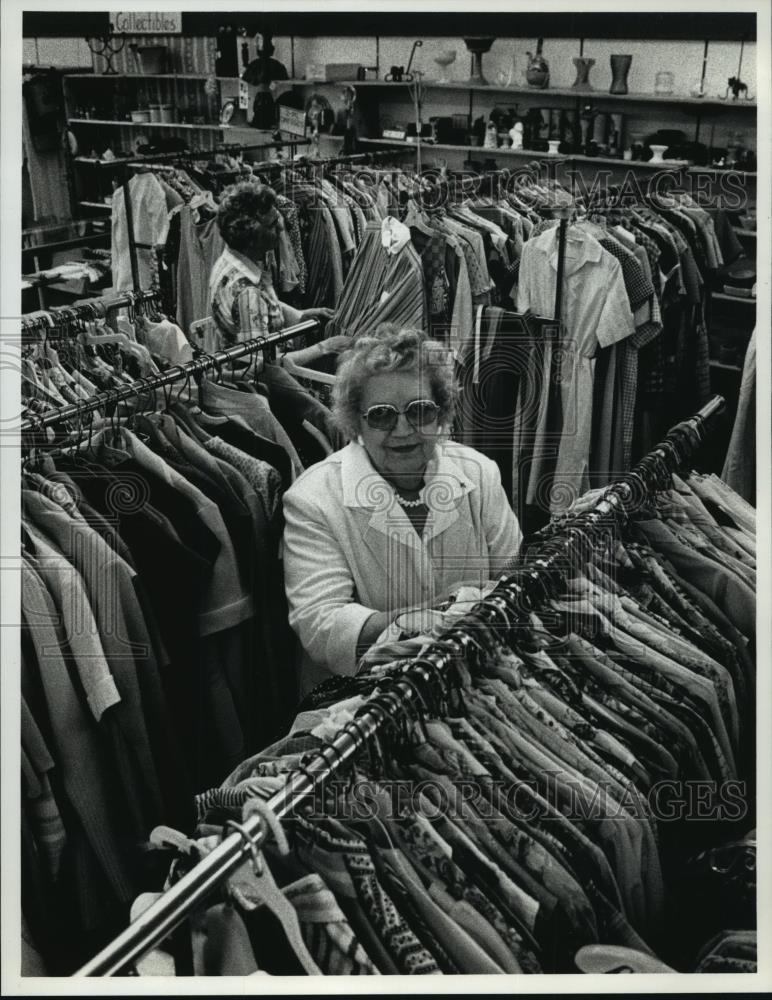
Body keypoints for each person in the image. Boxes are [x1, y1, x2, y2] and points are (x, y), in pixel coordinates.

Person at [282, 325, 522, 695]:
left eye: (420, 411)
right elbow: (323, 627)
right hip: (366, 701)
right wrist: (446, 611)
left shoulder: (478, 473)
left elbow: (514, 578)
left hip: (481, 679)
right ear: (355, 422)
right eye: (381, 415)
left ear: (441, 414)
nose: (403, 428)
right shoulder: (314, 500)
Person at [209, 180, 332, 346]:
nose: (281, 228)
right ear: (250, 235)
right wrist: (324, 348)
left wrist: (300, 316)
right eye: (273, 224)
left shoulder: (229, 261)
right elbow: (263, 367)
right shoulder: (248, 291)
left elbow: (258, 307)